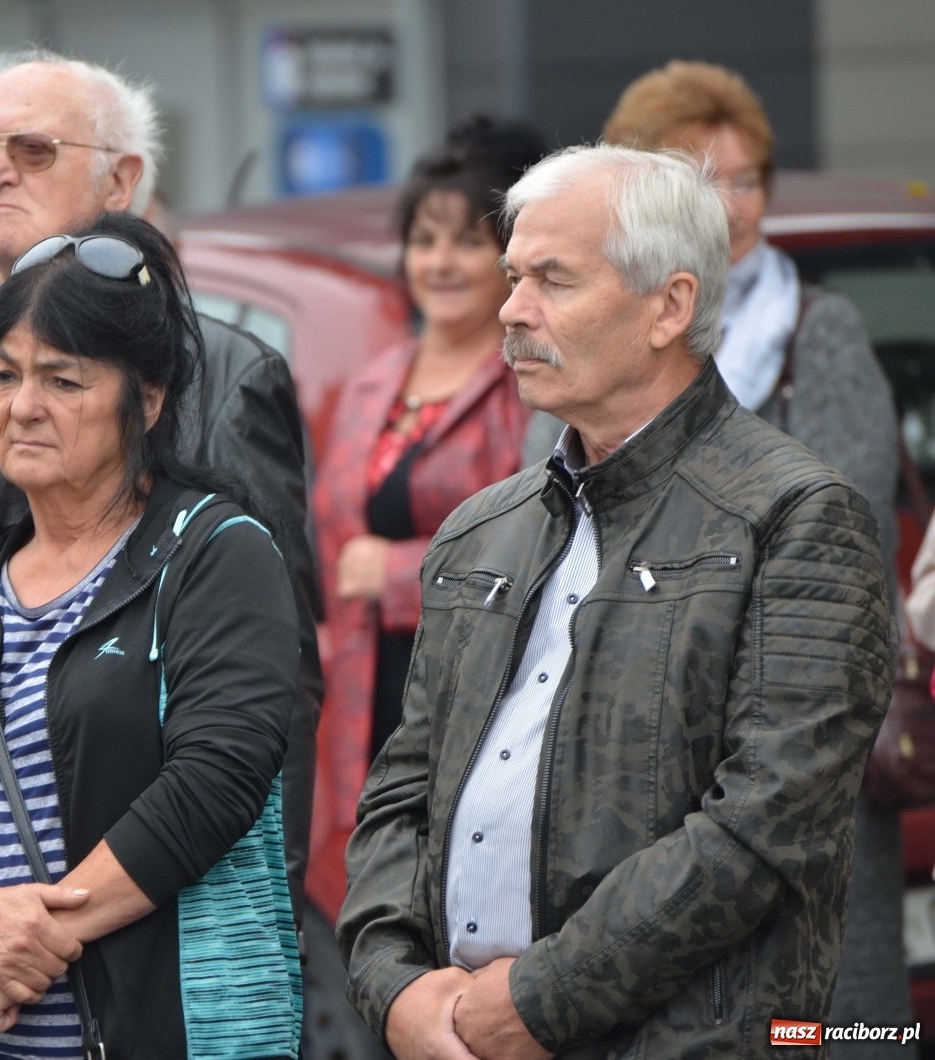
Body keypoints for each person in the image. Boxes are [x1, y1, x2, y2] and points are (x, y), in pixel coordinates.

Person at [339, 145, 894, 1058]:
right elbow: (399, 797)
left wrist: (536, 1001)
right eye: (514, 276)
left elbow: (760, 831)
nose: (511, 310)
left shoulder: (797, 515)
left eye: (551, 279)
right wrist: (395, 991)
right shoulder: (482, 530)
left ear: (669, 306)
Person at [0, 213, 303, 1059]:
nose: (22, 407)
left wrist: (21, 951)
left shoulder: (214, 552)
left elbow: (214, 782)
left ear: (148, 397)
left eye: (64, 381)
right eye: (3, 374)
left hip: (177, 1032)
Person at [536, 61, 904, 1053]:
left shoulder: (814, 335)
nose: (728, 204)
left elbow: (845, 528)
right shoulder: (588, 348)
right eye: (697, 177)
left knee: (810, 1021)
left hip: (778, 731)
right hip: (620, 759)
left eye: (744, 179)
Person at [0, 50, 322, 927]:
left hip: (163, 899)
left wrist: (269, 914)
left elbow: (273, 682)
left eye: (32, 150)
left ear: (123, 179)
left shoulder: (218, 371)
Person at [309, 118, 542, 923]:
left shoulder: (525, 384)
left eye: (465, 243)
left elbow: (541, 542)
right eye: (422, 240)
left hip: (479, 693)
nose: (439, 263)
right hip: (366, 698)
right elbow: (334, 544)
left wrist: (401, 574)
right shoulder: (375, 380)